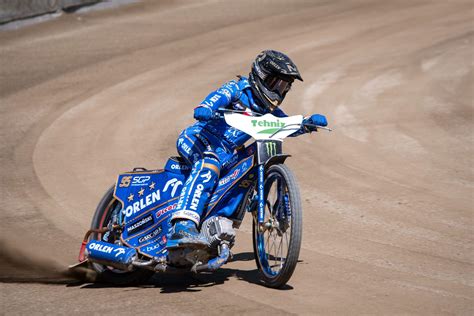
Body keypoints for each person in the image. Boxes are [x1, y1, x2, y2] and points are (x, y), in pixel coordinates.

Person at [166, 50, 328, 249]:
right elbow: (218, 97)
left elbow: (284, 124)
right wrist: (206, 107)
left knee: (248, 165)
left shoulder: (268, 111)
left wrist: (306, 123)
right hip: (197, 139)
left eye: (284, 86)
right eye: (275, 83)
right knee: (209, 164)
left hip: (227, 153)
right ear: (260, 75)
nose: (278, 91)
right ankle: (183, 225)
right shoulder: (238, 89)